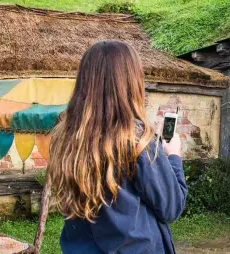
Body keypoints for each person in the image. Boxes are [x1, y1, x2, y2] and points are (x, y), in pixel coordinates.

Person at [47, 40, 187, 254]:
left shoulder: (65, 138)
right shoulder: (138, 141)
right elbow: (171, 207)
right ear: (131, 82)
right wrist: (174, 157)